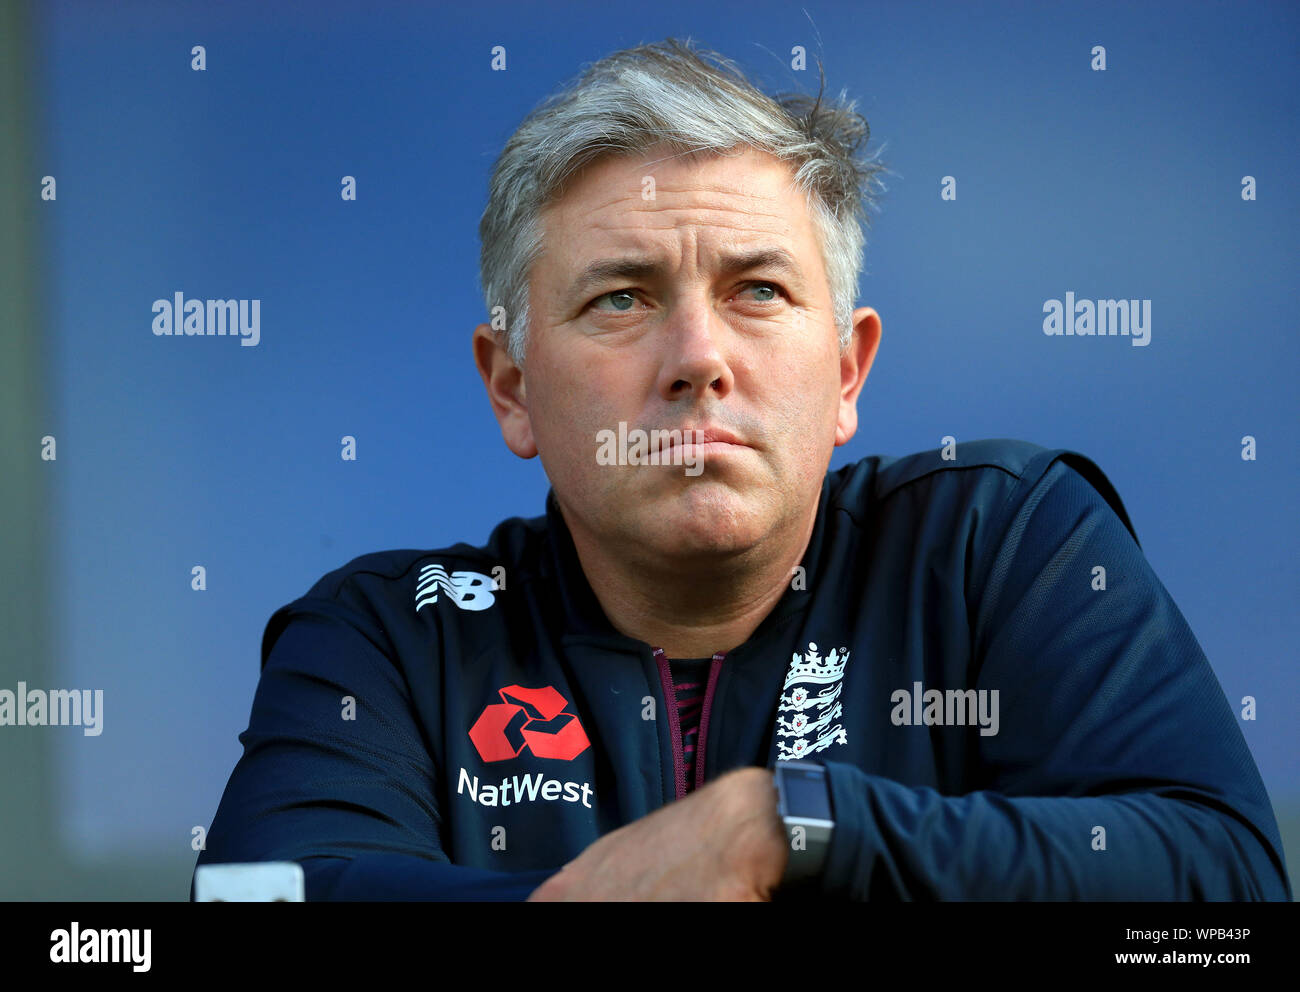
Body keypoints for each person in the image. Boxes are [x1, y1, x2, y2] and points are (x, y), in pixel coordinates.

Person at [192, 38, 1290, 901]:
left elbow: (1219, 894)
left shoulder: (1000, 542)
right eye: (620, 297)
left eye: (757, 289)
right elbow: (263, 902)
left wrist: (796, 827)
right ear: (511, 386)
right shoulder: (388, 638)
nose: (699, 360)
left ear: (848, 369)